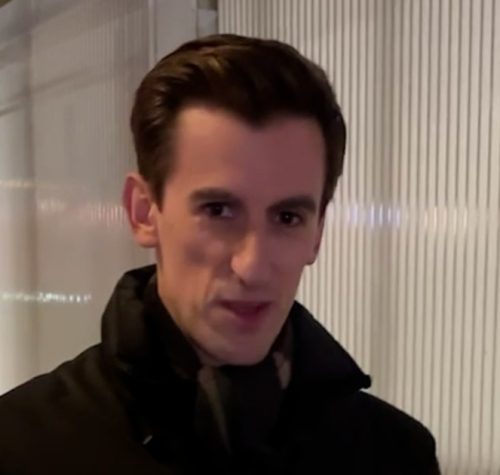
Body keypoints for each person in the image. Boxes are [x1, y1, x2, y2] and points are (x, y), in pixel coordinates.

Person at [0, 34, 440, 474]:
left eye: (287, 217)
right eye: (218, 211)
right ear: (143, 212)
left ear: (318, 232)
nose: (252, 267)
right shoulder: (20, 446)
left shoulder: (397, 454)